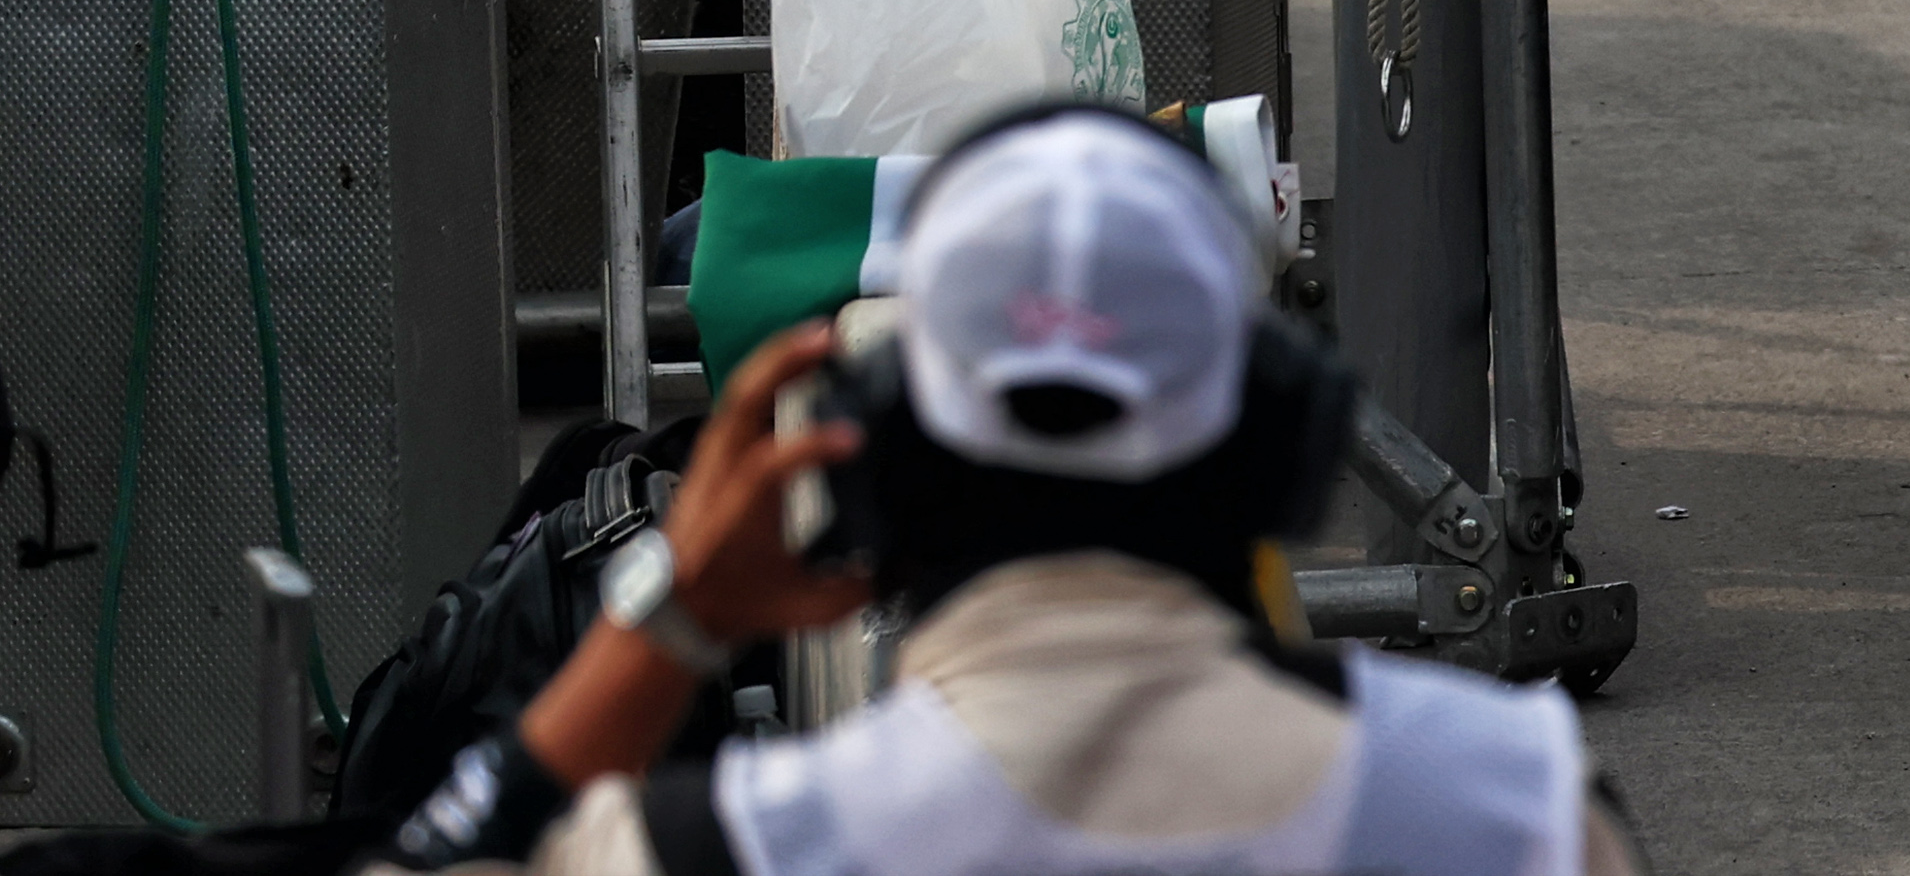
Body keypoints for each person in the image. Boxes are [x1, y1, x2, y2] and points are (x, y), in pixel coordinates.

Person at [385, 101, 1636, 876]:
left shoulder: (707, 846)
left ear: (871, 473)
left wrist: (674, 609)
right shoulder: (1513, 808)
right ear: (1283, 448)